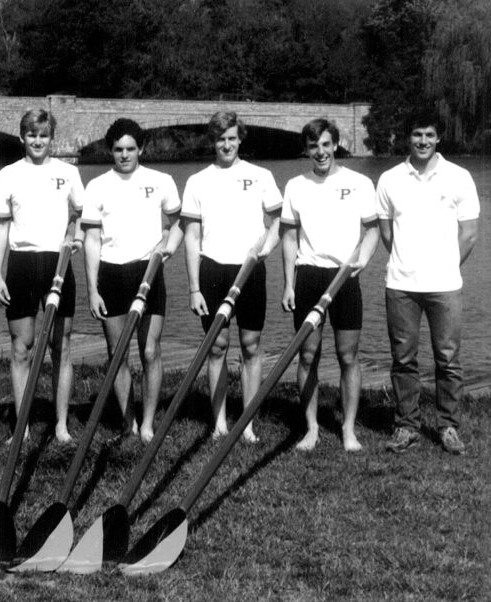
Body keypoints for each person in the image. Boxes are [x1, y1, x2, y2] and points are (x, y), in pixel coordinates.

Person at [377, 111, 480, 455]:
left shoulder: (459, 177)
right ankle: (407, 425)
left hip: (445, 284)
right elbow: (387, 232)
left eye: (429, 135)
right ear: (408, 138)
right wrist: (408, 261)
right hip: (401, 284)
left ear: (439, 139)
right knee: (403, 359)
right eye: (417, 134)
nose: (423, 141)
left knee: (448, 359)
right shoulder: (390, 179)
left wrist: (445, 265)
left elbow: (469, 234)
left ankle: (448, 426)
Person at [81, 118, 183, 443]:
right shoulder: (97, 186)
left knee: (150, 350)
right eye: (118, 150)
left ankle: (149, 423)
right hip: (111, 273)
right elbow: (92, 240)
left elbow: (180, 223)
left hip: (148, 272)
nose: (124, 155)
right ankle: (129, 423)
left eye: (130, 149)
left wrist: (168, 248)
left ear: (141, 148)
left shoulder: (162, 180)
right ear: (111, 150)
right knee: (117, 352)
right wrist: (93, 288)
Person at [280, 119, 379, 452]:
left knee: (347, 355)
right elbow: (290, 237)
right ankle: (311, 429)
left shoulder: (360, 182)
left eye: (325, 144)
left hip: (345, 277)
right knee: (308, 355)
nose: (320, 152)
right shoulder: (295, 185)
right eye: (313, 146)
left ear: (335, 145)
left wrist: (361, 260)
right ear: (306, 150)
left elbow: (372, 230)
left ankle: (348, 430)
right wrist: (289, 284)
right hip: (308, 274)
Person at [183, 111, 281, 443]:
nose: (226, 144)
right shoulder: (197, 181)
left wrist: (266, 248)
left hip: (250, 270)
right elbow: (192, 237)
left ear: (240, 139)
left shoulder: (261, 175)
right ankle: (220, 423)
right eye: (220, 139)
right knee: (217, 347)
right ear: (213, 141)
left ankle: (248, 423)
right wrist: (195, 287)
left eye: (232, 138)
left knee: (251, 346)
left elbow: (281, 220)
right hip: (213, 270)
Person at [0, 109, 85, 443]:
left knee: (62, 346)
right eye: (31, 135)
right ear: (22, 137)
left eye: (43, 135)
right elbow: (0, 229)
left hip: (57, 264)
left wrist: (76, 237)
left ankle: (61, 425)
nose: (38, 141)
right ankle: (22, 427)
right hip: (21, 264)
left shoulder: (69, 173)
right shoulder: (6, 176)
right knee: (22, 348)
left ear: (51, 138)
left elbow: (80, 216)